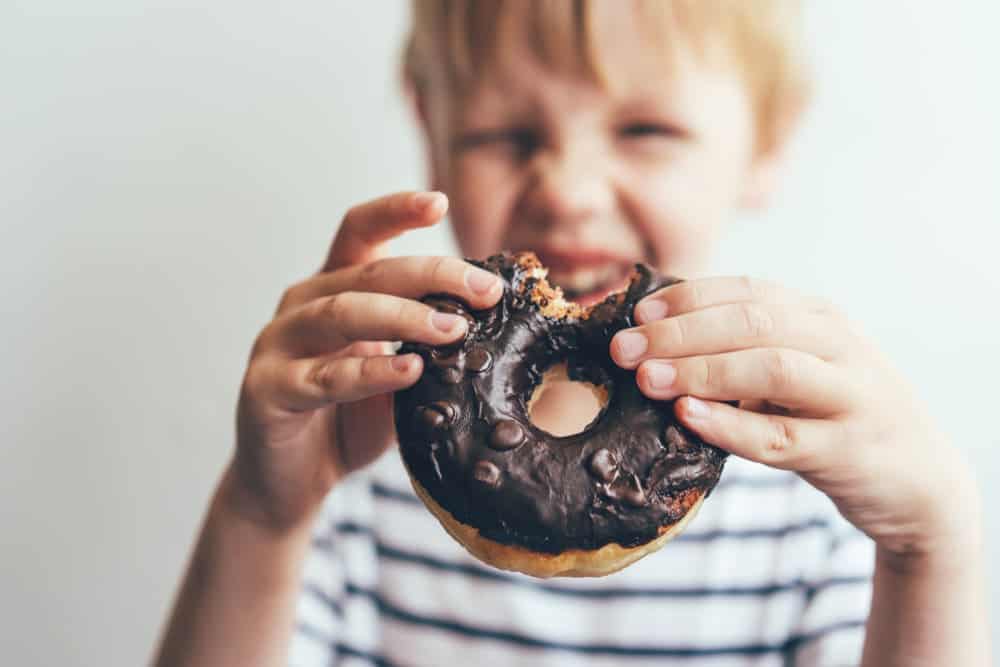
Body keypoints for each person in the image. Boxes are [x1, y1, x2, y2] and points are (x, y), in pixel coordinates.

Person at [154, 2, 990, 665]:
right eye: (504, 136)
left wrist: (929, 551)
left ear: (766, 139)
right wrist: (263, 517)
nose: (568, 191)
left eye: (645, 130)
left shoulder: (815, 514)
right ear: (431, 134)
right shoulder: (351, 482)